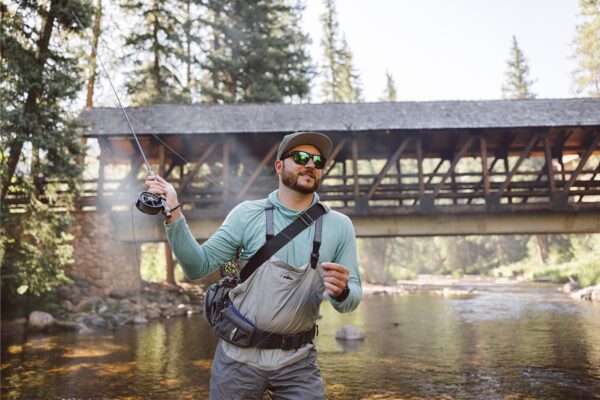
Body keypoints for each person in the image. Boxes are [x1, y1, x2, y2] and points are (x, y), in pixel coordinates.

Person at [145, 131, 361, 400]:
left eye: (318, 162)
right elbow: (197, 267)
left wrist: (342, 293)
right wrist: (173, 212)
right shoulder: (245, 214)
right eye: (302, 157)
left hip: (298, 362)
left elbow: (352, 296)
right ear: (279, 166)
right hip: (237, 360)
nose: (310, 165)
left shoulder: (340, 226)